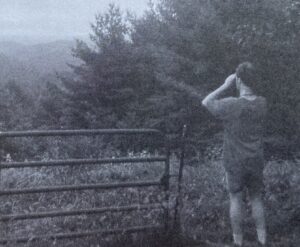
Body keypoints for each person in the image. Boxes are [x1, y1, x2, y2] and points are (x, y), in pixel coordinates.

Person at [202, 62, 267, 246]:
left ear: (238, 80)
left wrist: (225, 84)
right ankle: (263, 240)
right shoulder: (262, 103)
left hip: (235, 161)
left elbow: (206, 102)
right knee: (256, 198)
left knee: (236, 198)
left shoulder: (232, 104)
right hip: (256, 159)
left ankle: (238, 242)